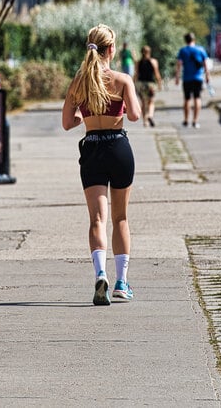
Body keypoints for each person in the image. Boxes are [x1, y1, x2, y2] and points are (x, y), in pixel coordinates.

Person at [62, 24, 142, 305]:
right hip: (118, 148)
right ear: (112, 49)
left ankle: (101, 274)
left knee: (97, 219)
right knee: (120, 217)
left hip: (92, 149)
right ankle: (122, 281)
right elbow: (134, 115)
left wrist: (87, 117)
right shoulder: (122, 80)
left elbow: (67, 123)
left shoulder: (79, 82)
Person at [174, 32, 210, 128]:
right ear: (194, 39)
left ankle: (186, 120)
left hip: (187, 78)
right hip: (198, 78)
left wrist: (177, 77)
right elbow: (205, 63)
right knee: (197, 98)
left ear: (185, 40)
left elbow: (179, 65)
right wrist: (207, 76)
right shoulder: (200, 49)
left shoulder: (183, 51)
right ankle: (195, 121)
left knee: (187, 99)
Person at [134, 45, 162, 127]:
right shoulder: (153, 61)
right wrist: (159, 82)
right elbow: (157, 73)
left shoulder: (139, 62)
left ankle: (145, 121)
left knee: (143, 102)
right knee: (151, 101)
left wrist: (133, 83)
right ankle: (150, 115)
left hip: (141, 84)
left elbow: (136, 74)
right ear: (149, 52)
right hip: (150, 84)